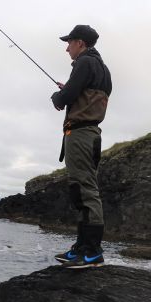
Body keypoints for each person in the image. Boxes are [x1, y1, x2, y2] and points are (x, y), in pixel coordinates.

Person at [51, 24, 112, 269]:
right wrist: (70, 90)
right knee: (81, 189)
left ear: (81, 43)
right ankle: (82, 246)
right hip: (90, 133)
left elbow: (65, 98)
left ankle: (92, 250)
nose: (67, 49)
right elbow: (83, 94)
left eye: (69, 43)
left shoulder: (85, 62)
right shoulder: (102, 68)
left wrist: (58, 97)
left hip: (80, 133)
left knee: (85, 190)